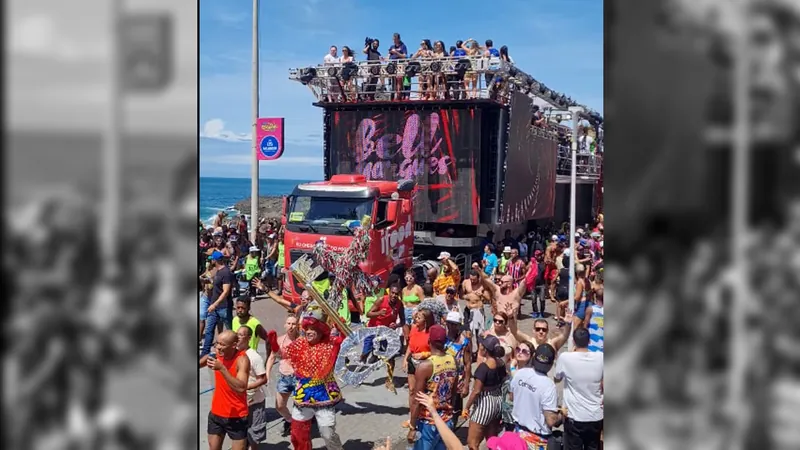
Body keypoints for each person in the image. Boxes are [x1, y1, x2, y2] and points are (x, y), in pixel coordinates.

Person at [284, 309, 345, 450]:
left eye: (313, 329)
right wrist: (273, 344)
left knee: (327, 434)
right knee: (297, 435)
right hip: (303, 396)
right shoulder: (299, 344)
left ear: (321, 331)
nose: (309, 332)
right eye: (307, 329)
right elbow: (283, 354)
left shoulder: (330, 345)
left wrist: (340, 326)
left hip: (323, 395)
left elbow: (345, 340)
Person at [409, 325, 458, 449]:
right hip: (446, 420)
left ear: (429, 341)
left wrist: (412, 427)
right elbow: (453, 392)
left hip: (427, 423)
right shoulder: (453, 360)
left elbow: (417, 400)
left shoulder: (425, 366)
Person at [554, 327, 604, 450]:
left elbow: (557, 378)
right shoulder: (600, 357)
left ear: (574, 342)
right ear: (589, 341)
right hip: (596, 416)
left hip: (574, 417)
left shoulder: (566, 357)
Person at [509, 344, 564, 450]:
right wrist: (562, 415)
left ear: (534, 356)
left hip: (518, 435)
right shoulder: (548, 385)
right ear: (551, 363)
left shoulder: (520, 373)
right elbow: (551, 420)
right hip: (537, 441)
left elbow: (512, 397)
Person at [204, 330, 251, 450]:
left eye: (222, 344)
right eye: (217, 343)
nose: (218, 347)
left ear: (234, 345)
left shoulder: (242, 359)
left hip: (237, 416)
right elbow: (205, 359)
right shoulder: (218, 354)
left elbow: (241, 388)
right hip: (216, 413)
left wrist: (222, 368)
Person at [462, 335, 506, 450]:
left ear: (485, 349)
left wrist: (466, 407)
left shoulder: (483, 367)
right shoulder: (501, 364)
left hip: (485, 403)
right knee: (492, 440)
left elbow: (476, 391)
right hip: (497, 401)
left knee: (472, 443)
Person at [363, 283, 405, 389]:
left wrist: (397, 325)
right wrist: (379, 313)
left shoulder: (399, 304)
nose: (394, 295)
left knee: (391, 356)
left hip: (386, 332)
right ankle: (360, 373)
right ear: (389, 292)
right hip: (373, 330)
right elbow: (368, 314)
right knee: (364, 354)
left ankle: (389, 379)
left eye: (397, 294)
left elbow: (403, 321)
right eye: (392, 293)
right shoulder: (381, 300)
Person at [234, 327, 269, 450]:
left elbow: (263, 379)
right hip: (238, 401)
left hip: (254, 401)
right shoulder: (234, 354)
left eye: (241, 335)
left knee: (254, 434)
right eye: (236, 334)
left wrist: (246, 387)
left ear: (249, 338)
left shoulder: (254, 357)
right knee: (240, 433)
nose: (237, 337)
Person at [266, 314, 300, 437]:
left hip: (298, 378)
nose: (291, 326)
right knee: (279, 406)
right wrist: (267, 375)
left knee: (300, 407)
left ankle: (298, 427)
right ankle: (289, 420)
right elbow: (272, 358)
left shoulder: (302, 340)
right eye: (289, 323)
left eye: (293, 324)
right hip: (284, 378)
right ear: (285, 325)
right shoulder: (280, 340)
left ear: (297, 326)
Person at [403, 309, 435, 428]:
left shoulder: (431, 333)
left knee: (421, 392)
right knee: (412, 390)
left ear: (425, 321)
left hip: (425, 364)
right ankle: (412, 418)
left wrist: (424, 354)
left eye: (419, 318)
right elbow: (410, 346)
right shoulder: (414, 329)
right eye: (416, 317)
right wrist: (406, 358)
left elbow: (436, 351)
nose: (416, 319)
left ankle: (421, 417)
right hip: (413, 362)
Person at [201, 251, 235, 358]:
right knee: (209, 331)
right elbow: (217, 286)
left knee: (230, 331)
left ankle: (233, 353)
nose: (210, 260)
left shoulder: (226, 272)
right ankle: (204, 355)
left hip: (223, 307)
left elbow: (226, 291)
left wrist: (214, 305)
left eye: (212, 259)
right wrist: (209, 280)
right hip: (214, 307)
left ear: (215, 260)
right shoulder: (218, 272)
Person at [444, 311, 471, 417]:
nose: (450, 326)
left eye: (453, 324)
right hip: (443, 378)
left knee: (455, 410)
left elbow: (467, 364)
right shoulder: (443, 338)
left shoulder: (464, 342)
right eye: (449, 323)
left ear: (459, 325)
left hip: (457, 381)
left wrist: (466, 384)